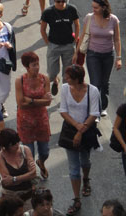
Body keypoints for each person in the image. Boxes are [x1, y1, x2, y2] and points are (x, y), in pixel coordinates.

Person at [58, 64, 101, 216]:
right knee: (73, 168)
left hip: (86, 132)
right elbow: (63, 110)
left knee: (85, 161)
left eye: (68, 77)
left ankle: (86, 178)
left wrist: (80, 132)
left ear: (77, 79)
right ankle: (76, 199)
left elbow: (94, 113)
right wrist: (76, 127)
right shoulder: (64, 89)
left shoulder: (92, 91)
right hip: (70, 130)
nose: (65, 79)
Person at [77, 0, 121, 117]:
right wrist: (77, 53)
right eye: (93, 7)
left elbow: (117, 39)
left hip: (108, 55)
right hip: (93, 55)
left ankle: (103, 107)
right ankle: (94, 110)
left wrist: (119, 58)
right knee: (95, 83)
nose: (93, 9)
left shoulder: (113, 20)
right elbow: (84, 34)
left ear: (103, 7)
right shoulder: (89, 18)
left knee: (105, 83)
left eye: (96, 7)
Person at [15, 51, 51, 180]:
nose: (37, 67)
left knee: (45, 151)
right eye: (34, 65)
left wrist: (30, 100)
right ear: (26, 67)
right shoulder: (20, 81)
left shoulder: (44, 79)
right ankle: (32, 174)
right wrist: (38, 101)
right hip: (25, 122)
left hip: (41, 120)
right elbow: (20, 103)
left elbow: (48, 101)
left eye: (37, 64)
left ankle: (41, 162)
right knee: (28, 153)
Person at [40, 0, 80, 98]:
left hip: (68, 45)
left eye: (63, 1)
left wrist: (75, 41)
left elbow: (77, 25)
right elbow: (43, 29)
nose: (61, 3)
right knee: (52, 74)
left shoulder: (72, 9)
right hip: (54, 45)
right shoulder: (48, 12)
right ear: (54, 0)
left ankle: (66, 95)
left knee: (67, 74)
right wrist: (48, 43)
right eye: (58, 1)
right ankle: (55, 81)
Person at [0, 128, 37, 205]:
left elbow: (33, 174)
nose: (17, 145)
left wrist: (14, 179)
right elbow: (8, 182)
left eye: (17, 142)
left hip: (28, 194)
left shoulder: (25, 150)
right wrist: (27, 176)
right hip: (10, 196)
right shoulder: (0, 157)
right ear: (5, 146)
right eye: (13, 144)